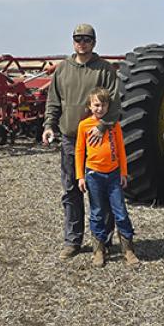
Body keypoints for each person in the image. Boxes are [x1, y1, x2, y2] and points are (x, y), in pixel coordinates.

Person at [42, 23, 120, 260]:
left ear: (94, 42)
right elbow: (54, 101)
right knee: (71, 190)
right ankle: (72, 240)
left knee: (102, 191)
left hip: (98, 140)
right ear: (73, 41)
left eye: (87, 39)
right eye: (78, 39)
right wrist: (48, 125)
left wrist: (102, 125)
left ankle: (102, 241)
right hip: (70, 139)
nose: (82, 43)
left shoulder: (105, 70)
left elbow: (115, 103)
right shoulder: (63, 69)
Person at [76, 87, 139, 266]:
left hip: (113, 175)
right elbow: (80, 151)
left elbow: (120, 149)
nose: (100, 108)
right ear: (89, 106)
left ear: (108, 107)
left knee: (120, 212)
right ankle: (98, 250)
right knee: (97, 213)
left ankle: (128, 250)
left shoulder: (114, 126)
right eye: (96, 105)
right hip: (93, 175)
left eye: (103, 105)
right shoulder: (84, 126)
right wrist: (80, 176)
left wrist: (123, 172)